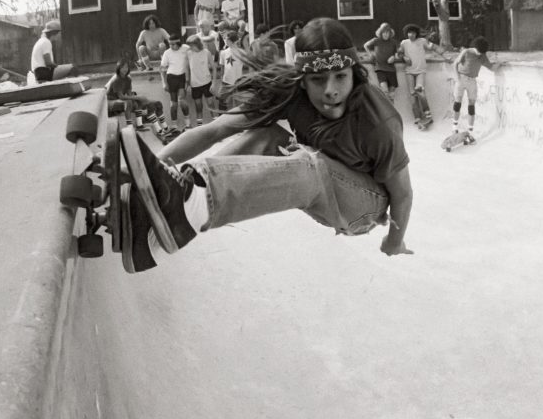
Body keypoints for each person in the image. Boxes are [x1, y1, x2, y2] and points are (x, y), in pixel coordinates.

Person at [117, 17, 414, 273]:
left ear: (354, 74)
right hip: (322, 178)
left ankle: (194, 203)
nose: (331, 91)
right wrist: (145, 169)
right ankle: (177, 198)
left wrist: (393, 242)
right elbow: (214, 130)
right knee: (267, 135)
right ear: (302, 80)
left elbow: (401, 193)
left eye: (341, 78)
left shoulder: (378, 121)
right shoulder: (289, 92)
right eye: (318, 80)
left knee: (311, 163)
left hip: (364, 206)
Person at [105, 58, 171, 137]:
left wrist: (139, 98)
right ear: (118, 68)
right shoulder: (116, 79)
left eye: (126, 67)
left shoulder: (128, 79)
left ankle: (164, 129)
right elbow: (121, 96)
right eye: (122, 67)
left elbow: (130, 95)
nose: (124, 69)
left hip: (121, 99)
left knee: (156, 104)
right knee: (130, 102)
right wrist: (139, 97)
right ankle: (130, 127)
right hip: (111, 101)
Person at [450, 36, 496, 140]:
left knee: (471, 105)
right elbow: (455, 64)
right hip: (461, 78)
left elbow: (491, 67)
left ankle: (470, 131)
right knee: (458, 102)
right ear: (475, 47)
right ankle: (454, 126)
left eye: (482, 52)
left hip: (472, 81)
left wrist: (501, 65)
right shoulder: (466, 52)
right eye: (478, 51)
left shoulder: (482, 55)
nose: (479, 54)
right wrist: (457, 78)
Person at [398, 23, 441, 127]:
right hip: (409, 72)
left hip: (420, 71)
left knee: (420, 90)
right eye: (409, 33)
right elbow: (399, 53)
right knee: (413, 94)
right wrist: (403, 57)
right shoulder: (404, 43)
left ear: (416, 33)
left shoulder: (422, 41)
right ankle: (417, 116)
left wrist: (443, 53)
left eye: (412, 33)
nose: (410, 35)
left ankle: (427, 112)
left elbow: (433, 47)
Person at [159, 34, 192, 131]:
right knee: (173, 105)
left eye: (173, 44)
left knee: (182, 100)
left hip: (182, 77)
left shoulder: (186, 48)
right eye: (169, 44)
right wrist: (164, 83)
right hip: (171, 78)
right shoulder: (167, 53)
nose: (171, 46)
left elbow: (193, 59)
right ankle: (174, 126)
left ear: (178, 43)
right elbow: (162, 69)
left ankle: (188, 124)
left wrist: (189, 80)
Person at [363, 23, 399, 104]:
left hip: (391, 69)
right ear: (381, 33)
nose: (386, 34)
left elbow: (396, 54)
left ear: (390, 33)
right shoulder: (376, 40)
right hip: (380, 68)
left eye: (387, 32)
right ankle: (388, 110)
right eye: (384, 32)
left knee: (392, 93)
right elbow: (365, 45)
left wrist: (393, 57)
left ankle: (391, 109)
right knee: (385, 90)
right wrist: (370, 54)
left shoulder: (393, 42)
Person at [185, 35, 216, 126]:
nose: (190, 48)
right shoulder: (189, 53)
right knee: (198, 107)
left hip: (207, 83)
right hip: (195, 85)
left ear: (197, 44)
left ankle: (216, 125)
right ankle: (200, 127)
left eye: (191, 45)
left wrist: (213, 83)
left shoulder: (206, 52)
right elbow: (187, 69)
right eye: (189, 46)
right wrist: (188, 84)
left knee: (211, 104)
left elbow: (214, 68)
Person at [217, 30, 244, 112]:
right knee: (222, 101)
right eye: (225, 39)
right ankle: (221, 118)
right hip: (226, 81)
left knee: (239, 104)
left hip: (238, 81)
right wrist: (222, 78)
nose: (225, 40)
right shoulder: (223, 52)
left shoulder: (241, 52)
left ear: (233, 41)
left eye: (227, 39)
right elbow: (222, 67)